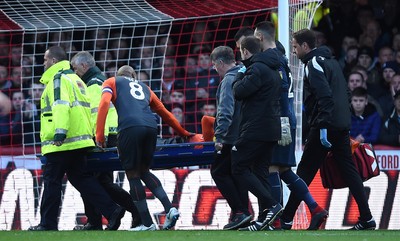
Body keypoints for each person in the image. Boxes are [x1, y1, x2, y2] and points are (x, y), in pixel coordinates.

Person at [280, 29, 376, 230]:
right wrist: (342, 118)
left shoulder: (313, 64)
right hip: (340, 125)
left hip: (325, 125)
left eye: (295, 47)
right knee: (350, 171)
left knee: (304, 171)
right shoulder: (332, 62)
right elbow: (346, 94)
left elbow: (324, 98)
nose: (294, 52)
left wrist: (322, 126)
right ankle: (367, 219)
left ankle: (286, 219)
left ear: (305, 46)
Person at [28, 46, 125, 231]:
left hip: (62, 142)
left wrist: (60, 132)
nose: (43, 63)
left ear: (54, 62)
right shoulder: (76, 79)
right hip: (80, 141)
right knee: (82, 179)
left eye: (45, 60)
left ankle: (47, 224)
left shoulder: (58, 79)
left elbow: (60, 106)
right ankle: (112, 210)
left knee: (51, 181)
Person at [95, 65, 192, 231]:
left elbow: (104, 103)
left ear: (119, 75)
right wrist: (183, 132)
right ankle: (170, 208)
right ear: (133, 76)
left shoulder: (111, 82)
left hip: (130, 128)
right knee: (144, 171)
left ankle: (146, 224)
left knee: (132, 175)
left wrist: (99, 136)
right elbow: (165, 113)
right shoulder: (145, 88)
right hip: (151, 127)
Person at [254, 21, 328, 230]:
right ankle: (315, 209)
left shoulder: (272, 65)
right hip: (287, 118)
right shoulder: (283, 65)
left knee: (270, 168)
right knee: (285, 171)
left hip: (279, 120)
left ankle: (276, 219)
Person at [70, 51, 141, 230]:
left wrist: (96, 137)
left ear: (85, 66)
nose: (74, 71)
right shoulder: (99, 81)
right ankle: (99, 219)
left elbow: (95, 112)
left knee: (95, 180)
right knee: (99, 181)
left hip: (104, 137)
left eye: (75, 68)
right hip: (111, 135)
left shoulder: (93, 84)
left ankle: (122, 213)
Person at [231, 36, 283, 231]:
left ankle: (271, 204)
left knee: (238, 166)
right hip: (271, 129)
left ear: (245, 51)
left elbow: (238, 92)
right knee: (261, 172)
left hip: (256, 128)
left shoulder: (256, 69)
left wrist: (239, 74)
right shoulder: (272, 68)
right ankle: (264, 220)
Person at [209, 46, 252, 230]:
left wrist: (219, 136)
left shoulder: (228, 80)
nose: (214, 69)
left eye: (214, 65)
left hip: (230, 136)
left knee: (218, 171)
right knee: (236, 173)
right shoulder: (244, 74)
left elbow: (225, 110)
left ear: (220, 63)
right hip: (245, 134)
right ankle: (243, 213)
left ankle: (240, 211)